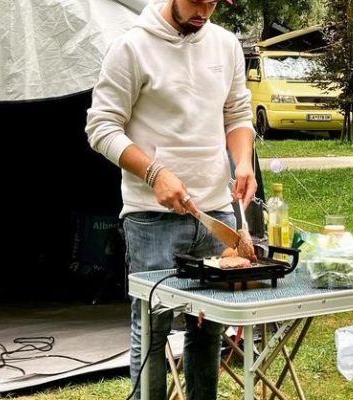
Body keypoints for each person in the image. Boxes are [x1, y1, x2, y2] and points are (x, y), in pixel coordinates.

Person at [84, 0, 256, 397]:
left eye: (212, 2)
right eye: (197, 0)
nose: (204, 10)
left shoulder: (226, 44)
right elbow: (101, 127)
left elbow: (237, 114)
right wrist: (153, 172)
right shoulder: (131, 47)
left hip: (215, 211)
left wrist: (243, 162)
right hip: (152, 217)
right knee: (153, 328)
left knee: (208, 328)